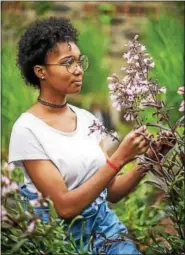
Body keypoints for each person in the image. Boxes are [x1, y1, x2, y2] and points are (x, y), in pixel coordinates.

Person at [8, 17, 163, 254]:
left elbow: (112, 192)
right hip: (63, 239)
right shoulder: (27, 129)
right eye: (68, 62)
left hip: (106, 229)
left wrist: (149, 159)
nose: (78, 69)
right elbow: (65, 208)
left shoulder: (87, 120)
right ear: (40, 72)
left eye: (79, 62)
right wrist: (119, 158)